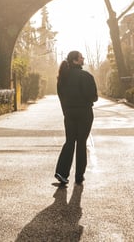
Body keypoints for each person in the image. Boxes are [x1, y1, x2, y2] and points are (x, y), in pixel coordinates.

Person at [54, 50, 98, 186]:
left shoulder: (62, 78)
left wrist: (67, 111)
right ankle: (79, 176)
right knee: (81, 143)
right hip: (84, 113)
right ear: (75, 60)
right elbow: (94, 97)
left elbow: (61, 97)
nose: (83, 58)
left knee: (69, 141)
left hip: (69, 114)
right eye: (80, 57)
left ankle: (62, 172)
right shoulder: (85, 76)